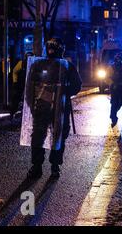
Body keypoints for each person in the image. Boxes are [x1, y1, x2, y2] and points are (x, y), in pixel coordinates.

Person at [25, 37, 82, 179]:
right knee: (52, 136)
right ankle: (50, 167)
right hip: (51, 107)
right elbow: (77, 85)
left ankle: (42, 166)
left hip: (51, 107)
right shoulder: (60, 65)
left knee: (46, 136)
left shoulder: (59, 66)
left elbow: (76, 85)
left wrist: (64, 90)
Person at [10, 52, 34, 119]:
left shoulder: (35, 64)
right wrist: (15, 82)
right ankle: (13, 112)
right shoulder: (22, 63)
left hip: (30, 84)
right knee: (16, 97)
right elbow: (14, 71)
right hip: (21, 83)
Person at [109, 52, 122, 128]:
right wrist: (113, 84)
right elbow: (108, 78)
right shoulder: (112, 67)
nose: (119, 61)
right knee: (114, 106)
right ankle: (114, 119)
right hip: (116, 90)